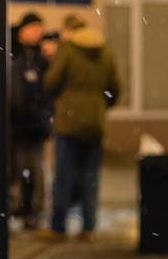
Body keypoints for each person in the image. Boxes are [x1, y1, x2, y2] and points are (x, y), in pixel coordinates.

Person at [45, 15, 121, 239]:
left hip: (68, 121)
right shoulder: (105, 51)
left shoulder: (67, 50)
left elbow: (51, 82)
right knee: (90, 176)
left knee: (64, 175)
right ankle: (89, 227)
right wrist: (98, 105)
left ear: (68, 30)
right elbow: (115, 88)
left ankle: (58, 226)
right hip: (95, 122)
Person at [10, 13, 52, 227]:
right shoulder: (14, 57)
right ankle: (19, 209)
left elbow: (48, 92)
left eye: (39, 27)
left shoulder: (43, 61)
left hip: (36, 127)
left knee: (34, 170)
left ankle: (32, 211)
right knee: (17, 170)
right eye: (33, 27)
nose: (37, 32)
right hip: (17, 126)